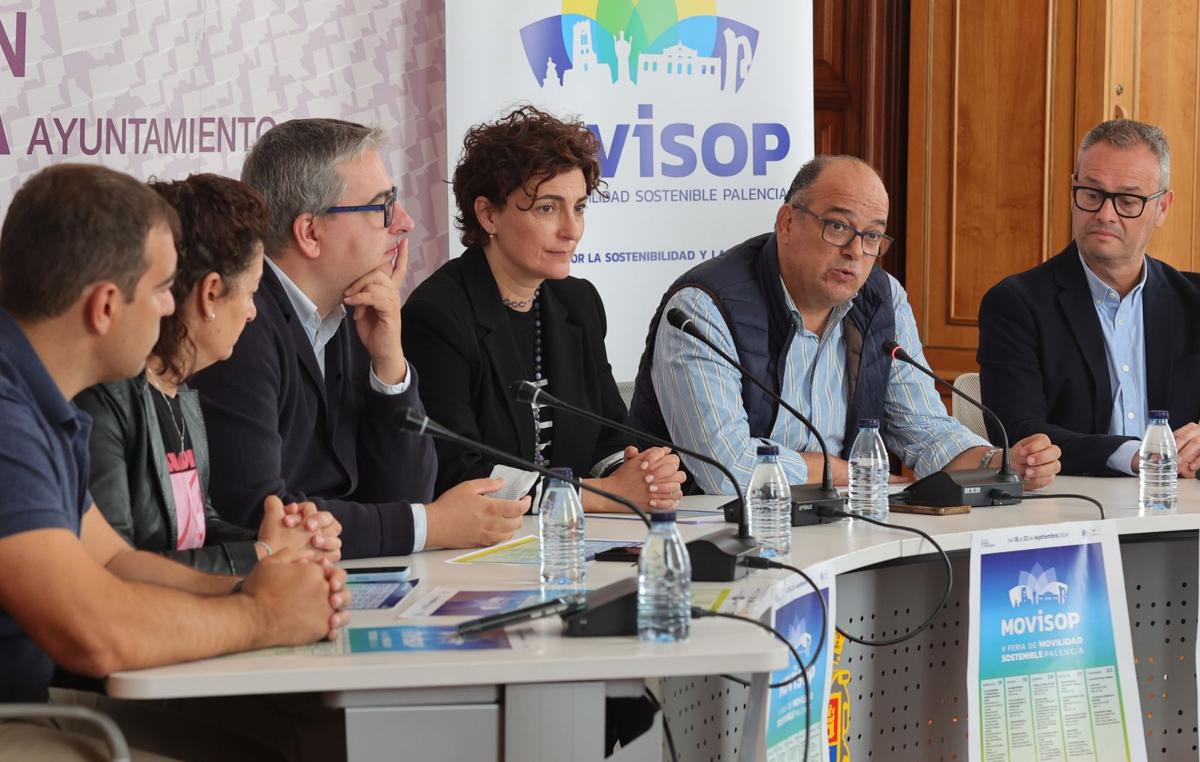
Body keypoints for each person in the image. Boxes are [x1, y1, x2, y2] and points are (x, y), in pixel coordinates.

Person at [0, 164, 348, 758]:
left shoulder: (36, 399)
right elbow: (93, 630)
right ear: (105, 307)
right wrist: (264, 616)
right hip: (21, 719)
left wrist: (251, 586)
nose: (171, 307)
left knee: (303, 737)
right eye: (163, 288)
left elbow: (111, 558)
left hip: (36, 706)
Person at [190, 118, 530, 558]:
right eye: (382, 207)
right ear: (310, 233)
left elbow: (404, 491)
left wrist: (390, 365)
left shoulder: (353, 312)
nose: (404, 222)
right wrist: (431, 525)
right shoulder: (243, 325)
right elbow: (260, 513)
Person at [628, 155, 1063, 494]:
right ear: (787, 223)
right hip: (709, 536)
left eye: (872, 235)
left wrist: (997, 464)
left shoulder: (882, 298)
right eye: (838, 226)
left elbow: (924, 429)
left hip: (833, 522)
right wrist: (846, 473)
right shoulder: (703, 310)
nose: (856, 251)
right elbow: (728, 470)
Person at [402, 105, 685, 512]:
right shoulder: (438, 316)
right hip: (482, 548)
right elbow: (458, 471)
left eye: (580, 207)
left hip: (572, 540)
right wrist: (605, 496)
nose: (571, 229)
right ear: (488, 214)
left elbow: (609, 435)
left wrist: (639, 470)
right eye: (547, 208)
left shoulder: (578, 302)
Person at [75, 173, 342, 576]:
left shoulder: (182, 392)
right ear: (211, 293)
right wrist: (265, 554)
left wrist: (285, 539)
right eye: (251, 293)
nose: (253, 312)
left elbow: (199, 527)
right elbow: (116, 572)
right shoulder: (102, 402)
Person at [979, 118, 1200, 477]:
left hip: (1185, 510)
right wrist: (1136, 455)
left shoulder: (1194, 301)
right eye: (1092, 194)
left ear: (1162, 208)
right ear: (1072, 191)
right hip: (1072, 510)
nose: (1104, 214)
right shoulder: (1015, 304)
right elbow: (1021, 434)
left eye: (1128, 201)